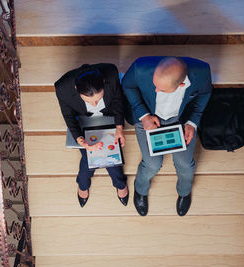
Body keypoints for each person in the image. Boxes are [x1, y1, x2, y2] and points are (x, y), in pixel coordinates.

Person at [122, 56, 212, 216]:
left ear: (182, 85)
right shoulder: (140, 67)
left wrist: (192, 122)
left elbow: (205, 93)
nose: (156, 90)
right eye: (155, 85)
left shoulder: (202, 71)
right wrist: (143, 115)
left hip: (182, 119)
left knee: (185, 163)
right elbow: (127, 85)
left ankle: (184, 192)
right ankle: (140, 189)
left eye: (162, 89)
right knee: (152, 164)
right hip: (147, 117)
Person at [55, 63, 128, 207]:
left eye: (98, 99)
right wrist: (80, 140)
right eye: (90, 101)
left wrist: (119, 127)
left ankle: (83, 184)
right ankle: (120, 183)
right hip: (84, 121)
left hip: (109, 116)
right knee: (98, 155)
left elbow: (118, 100)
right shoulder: (62, 88)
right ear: (76, 89)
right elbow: (68, 115)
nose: (95, 105)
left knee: (94, 157)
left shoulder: (111, 73)